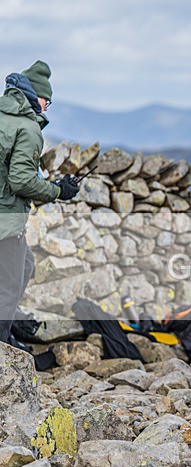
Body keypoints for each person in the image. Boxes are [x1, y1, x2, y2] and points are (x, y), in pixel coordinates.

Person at [0, 60, 80, 347]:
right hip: (5, 220)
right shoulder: (28, 127)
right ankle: (3, 351)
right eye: (48, 101)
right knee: (9, 285)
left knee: (26, 265)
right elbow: (21, 180)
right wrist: (58, 191)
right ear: (36, 96)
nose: (46, 108)